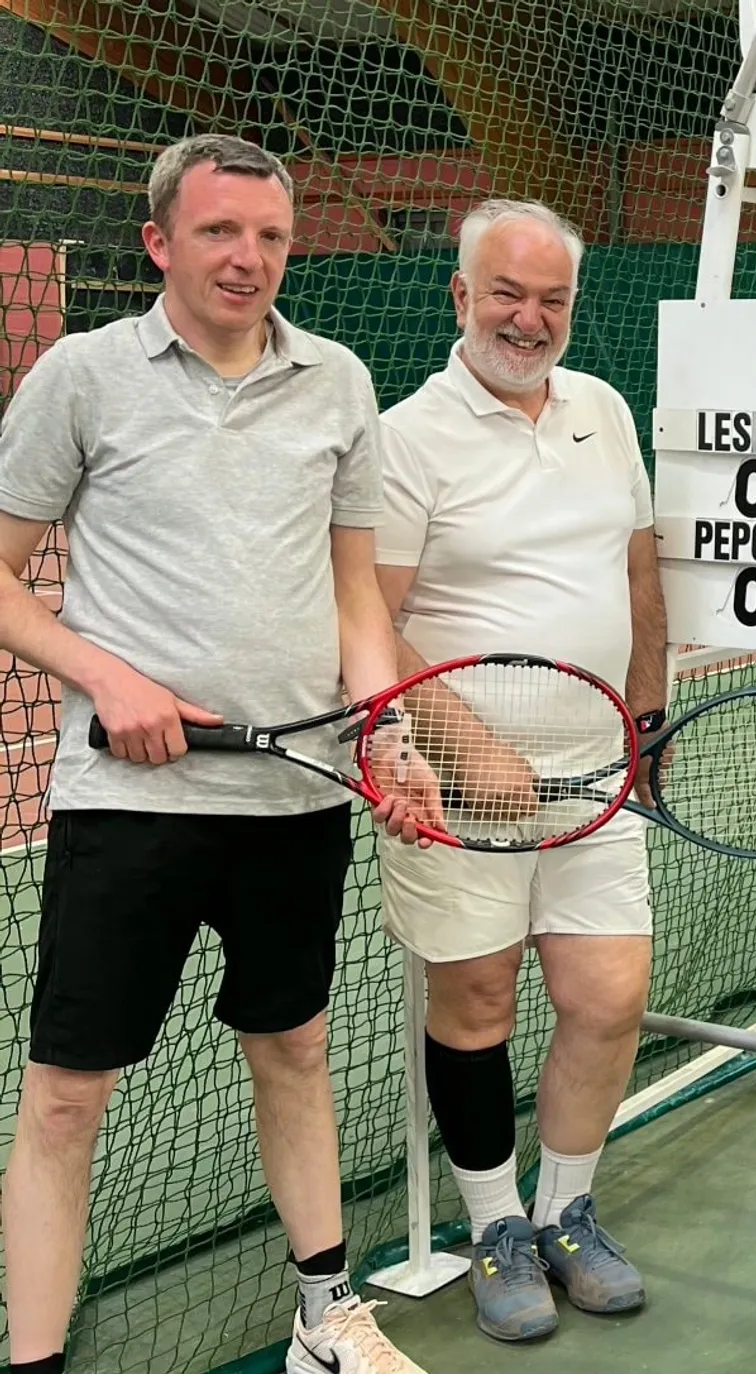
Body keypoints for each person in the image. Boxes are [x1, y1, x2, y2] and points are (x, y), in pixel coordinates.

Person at [0, 134, 439, 1374]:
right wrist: (106, 674)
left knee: (294, 1050)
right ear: (159, 242)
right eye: (218, 233)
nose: (247, 259)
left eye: (269, 238)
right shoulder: (83, 377)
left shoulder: (340, 381)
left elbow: (356, 594)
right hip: (128, 804)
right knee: (68, 1097)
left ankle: (324, 1319)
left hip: (292, 800)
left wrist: (385, 726)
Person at [374, 198, 669, 1343]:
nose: (528, 318)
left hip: (596, 778)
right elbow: (369, 618)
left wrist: (647, 719)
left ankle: (564, 1215)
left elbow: (638, 579)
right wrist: (460, 744)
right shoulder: (408, 437)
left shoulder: (600, 408)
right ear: (460, 296)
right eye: (506, 293)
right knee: (478, 1007)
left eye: (550, 300)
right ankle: (493, 1226)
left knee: (607, 1000)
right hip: (463, 792)